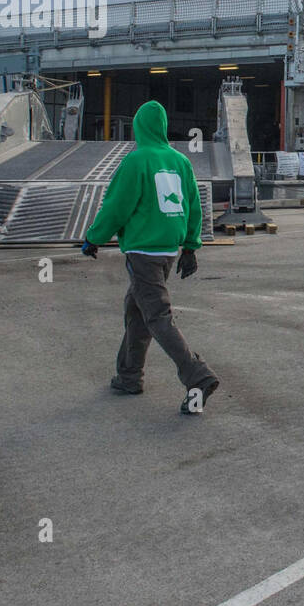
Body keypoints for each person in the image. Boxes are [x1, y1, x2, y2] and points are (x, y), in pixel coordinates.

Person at [81, 99, 220, 415]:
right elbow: (193, 207)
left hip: (143, 251)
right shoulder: (180, 162)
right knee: (137, 311)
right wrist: (190, 248)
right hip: (168, 251)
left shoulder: (136, 161)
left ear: (139, 127)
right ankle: (129, 376)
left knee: (157, 316)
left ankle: (197, 375)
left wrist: (94, 238)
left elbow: (117, 207)